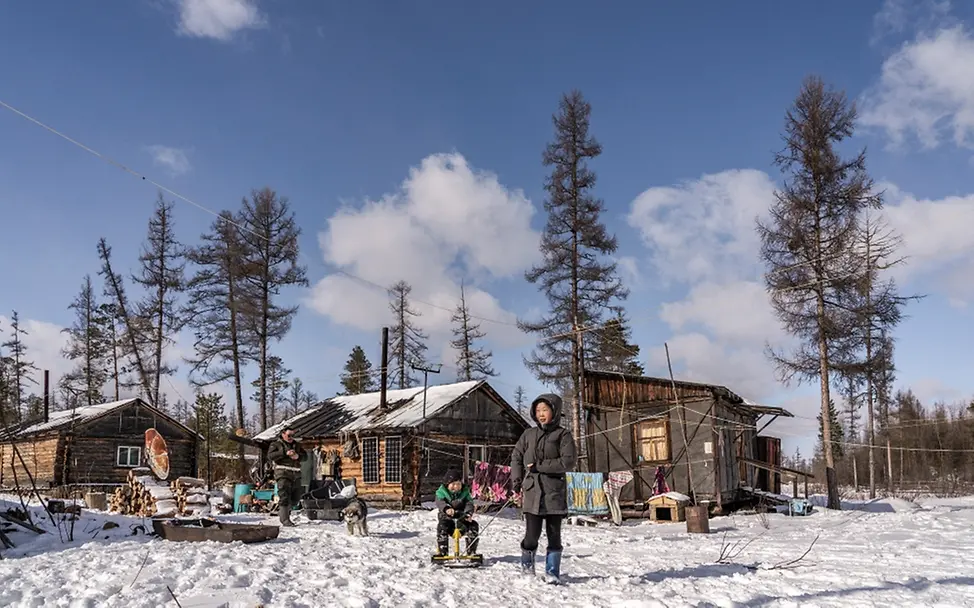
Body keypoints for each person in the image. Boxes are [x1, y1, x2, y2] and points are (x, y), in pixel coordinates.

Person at [510, 393, 577, 584]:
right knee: (532, 535)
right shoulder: (528, 434)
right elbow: (516, 456)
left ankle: (552, 572)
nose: (541, 414)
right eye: (538, 410)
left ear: (554, 412)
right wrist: (516, 480)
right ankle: (527, 567)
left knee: (554, 535)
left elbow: (568, 461)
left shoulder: (563, 435)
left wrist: (539, 466)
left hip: (554, 492)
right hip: (532, 492)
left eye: (545, 410)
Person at [434, 469, 479, 556]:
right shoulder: (441, 493)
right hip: (447, 520)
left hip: (462, 519)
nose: (456, 486)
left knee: (473, 526)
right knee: (441, 527)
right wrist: (446, 509)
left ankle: (471, 551)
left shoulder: (465, 493)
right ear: (447, 484)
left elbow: (469, 503)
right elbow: (440, 502)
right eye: (453, 484)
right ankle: (443, 551)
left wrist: (468, 514)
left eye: (458, 484)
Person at [267, 426, 306, 527]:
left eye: (293, 435)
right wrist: (285, 453)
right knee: (284, 495)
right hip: (282, 472)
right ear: (283, 434)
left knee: (296, 496)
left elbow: (305, 456)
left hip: (296, 473)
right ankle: (284, 519)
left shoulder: (296, 445)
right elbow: (270, 456)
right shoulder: (276, 444)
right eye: (289, 435)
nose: (291, 437)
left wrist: (298, 456)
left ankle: (286, 512)